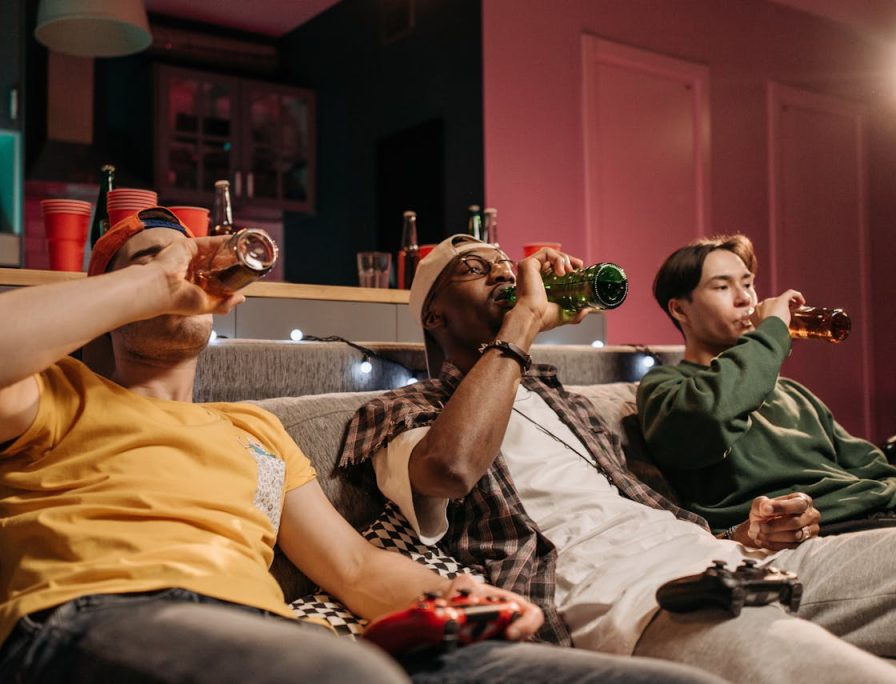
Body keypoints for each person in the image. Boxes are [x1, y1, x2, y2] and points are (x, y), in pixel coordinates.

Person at [0, 208, 720, 684]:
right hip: (87, 624)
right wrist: (154, 274)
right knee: (343, 674)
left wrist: (462, 599)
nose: (180, 272)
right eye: (150, 265)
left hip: (276, 640)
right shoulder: (51, 395)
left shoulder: (253, 432)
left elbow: (356, 571)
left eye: (185, 260)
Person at [339, 234, 896, 683]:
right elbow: (450, 471)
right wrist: (524, 321)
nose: (502, 274)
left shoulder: (561, 399)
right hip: (634, 598)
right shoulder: (401, 410)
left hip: (729, 558)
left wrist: (742, 534)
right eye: (474, 269)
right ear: (434, 317)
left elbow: (629, 511)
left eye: (505, 265)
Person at [636, 234, 896, 536]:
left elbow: (876, 471)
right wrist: (772, 332)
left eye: (747, 284)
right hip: (823, 531)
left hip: (878, 516)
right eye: (722, 287)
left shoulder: (792, 392)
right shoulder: (666, 387)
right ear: (680, 310)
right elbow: (710, 416)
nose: (745, 298)